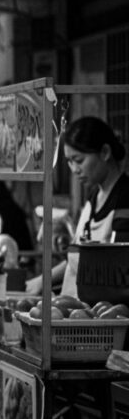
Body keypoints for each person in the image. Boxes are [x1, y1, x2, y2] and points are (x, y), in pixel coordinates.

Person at [26, 116, 129, 296]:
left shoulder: (125, 199)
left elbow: (115, 265)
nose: (74, 169)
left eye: (79, 160)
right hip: (79, 311)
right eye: (69, 161)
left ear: (105, 152)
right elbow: (79, 257)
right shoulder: (93, 197)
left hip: (103, 314)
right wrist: (44, 280)